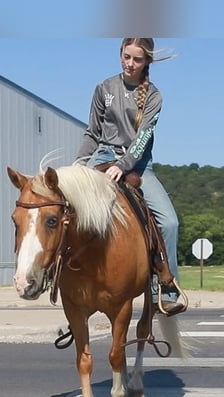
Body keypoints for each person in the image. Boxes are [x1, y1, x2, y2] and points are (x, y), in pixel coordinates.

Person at [76, 37, 186, 315]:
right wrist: (79, 164)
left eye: (137, 59)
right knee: (70, 207)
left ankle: (166, 286)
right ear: (120, 54)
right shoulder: (104, 88)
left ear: (147, 61)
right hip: (102, 157)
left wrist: (123, 165)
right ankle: (63, 280)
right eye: (126, 56)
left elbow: (143, 138)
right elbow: (92, 133)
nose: (130, 63)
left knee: (170, 222)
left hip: (138, 166)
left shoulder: (154, 96)